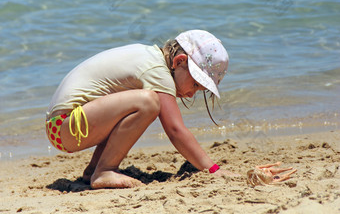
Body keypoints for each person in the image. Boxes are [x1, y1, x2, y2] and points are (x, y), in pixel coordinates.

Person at [46, 29, 237, 189]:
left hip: (63, 126)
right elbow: (175, 130)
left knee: (137, 102)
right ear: (179, 62)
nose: (190, 94)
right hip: (67, 125)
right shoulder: (157, 72)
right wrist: (213, 170)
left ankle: (94, 169)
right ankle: (104, 171)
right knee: (149, 102)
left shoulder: (149, 57)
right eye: (195, 85)